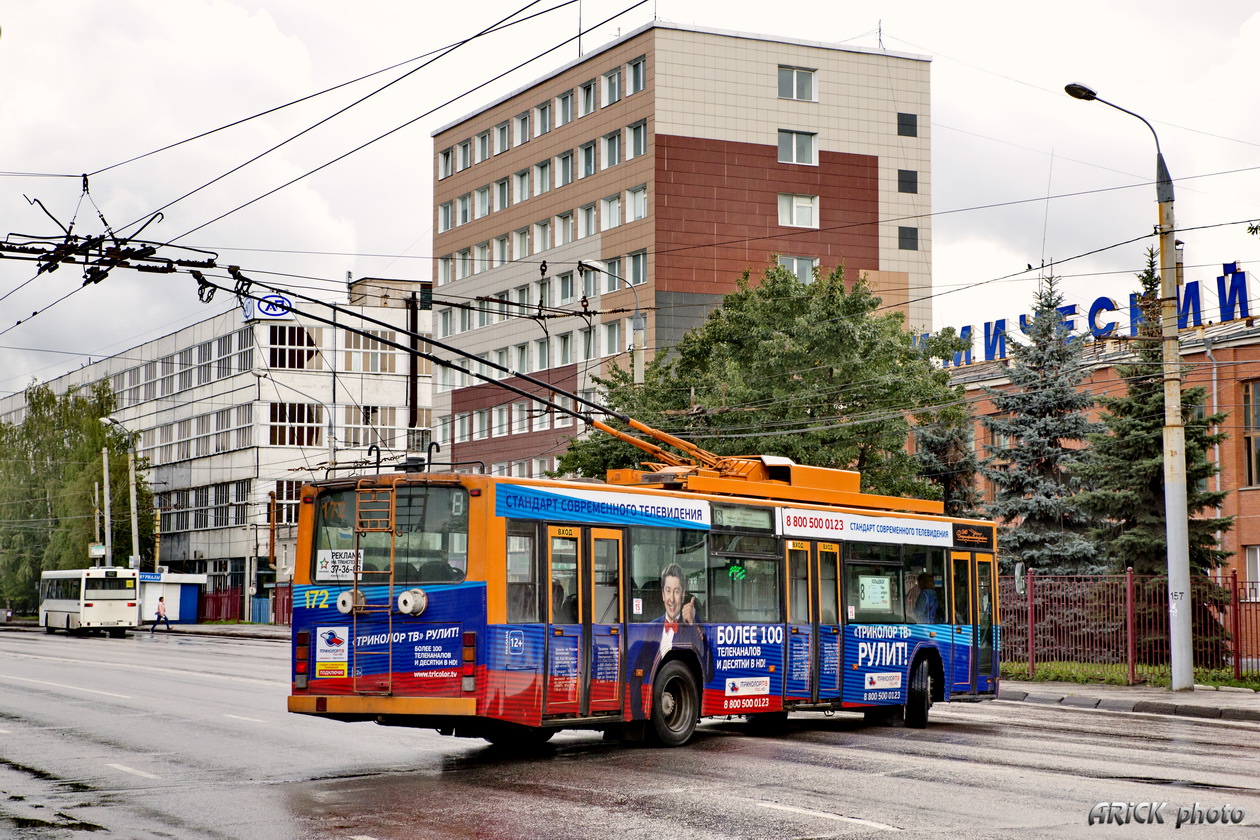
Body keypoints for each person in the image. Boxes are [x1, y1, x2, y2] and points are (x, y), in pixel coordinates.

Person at [627, 563, 706, 718]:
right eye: (668, 591)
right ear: (662, 594)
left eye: (676, 591)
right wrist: (637, 714)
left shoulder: (692, 625)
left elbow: (708, 670)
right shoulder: (652, 627)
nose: (671, 599)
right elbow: (635, 676)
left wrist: (694, 623)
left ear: (683, 594)